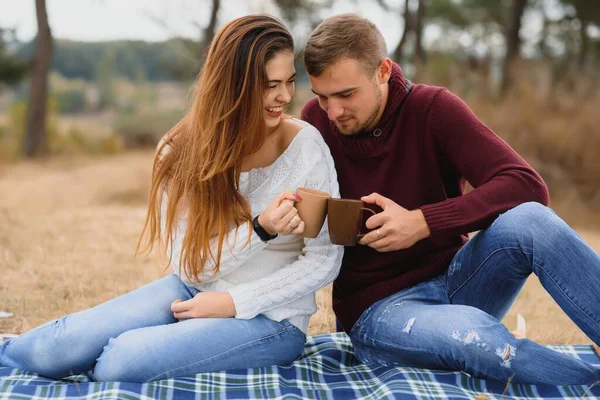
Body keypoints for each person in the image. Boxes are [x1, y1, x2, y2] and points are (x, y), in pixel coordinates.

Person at [0, 14, 342, 383]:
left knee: (121, 362)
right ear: (233, 87)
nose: (285, 97)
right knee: (53, 348)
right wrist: (260, 230)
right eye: (269, 85)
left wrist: (234, 304)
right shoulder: (179, 152)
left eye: (289, 82)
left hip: (273, 319)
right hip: (193, 288)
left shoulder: (306, 147)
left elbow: (325, 258)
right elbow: (192, 267)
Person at [300, 13, 600, 385]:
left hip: (460, 279)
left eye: (345, 94)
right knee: (481, 339)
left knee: (532, 222)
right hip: (380, 311)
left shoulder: (432, 109)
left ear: (382, 71)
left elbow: (525, 185)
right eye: (322, 96)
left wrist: (423, 222)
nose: (333, 112)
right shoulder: (313, 120)